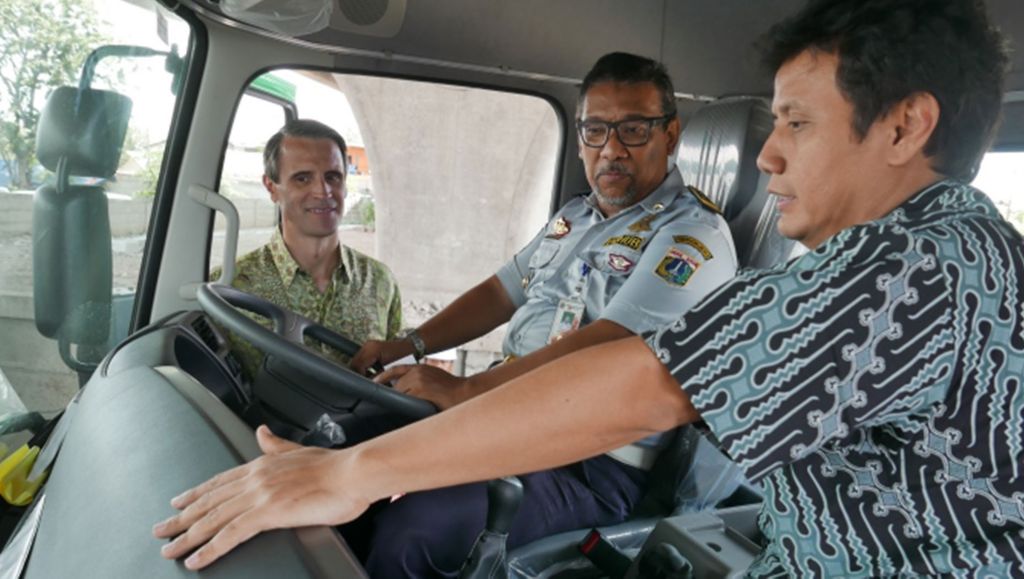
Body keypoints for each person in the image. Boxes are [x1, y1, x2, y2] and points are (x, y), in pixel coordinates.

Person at [154, 0, 1022, 575]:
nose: (768, 153)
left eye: (797, 121)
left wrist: (358, 472)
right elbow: (510, 290)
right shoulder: (920, 258)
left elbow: (650, 377)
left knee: (400, 507)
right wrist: (408, 367)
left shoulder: (922, 266)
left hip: (608, 472)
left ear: (905, 125)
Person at [339, 51, 737, 576]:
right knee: (341, 439)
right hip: (508, 412)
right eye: (596, 130)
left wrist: (466, 392)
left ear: (670, 135)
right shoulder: (577, 215)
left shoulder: (692, 235)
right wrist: (409, 345)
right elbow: (502, 292)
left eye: (634, 129)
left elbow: (607, 342)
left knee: (416, 529)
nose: (611, 149)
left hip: (590, 462)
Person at [215, 119, 403, 379]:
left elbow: (397, 377)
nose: (322, 191)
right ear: (271, 187)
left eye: (332, 177)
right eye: (302, 178)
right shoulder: (230, 288)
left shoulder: (380, 282)